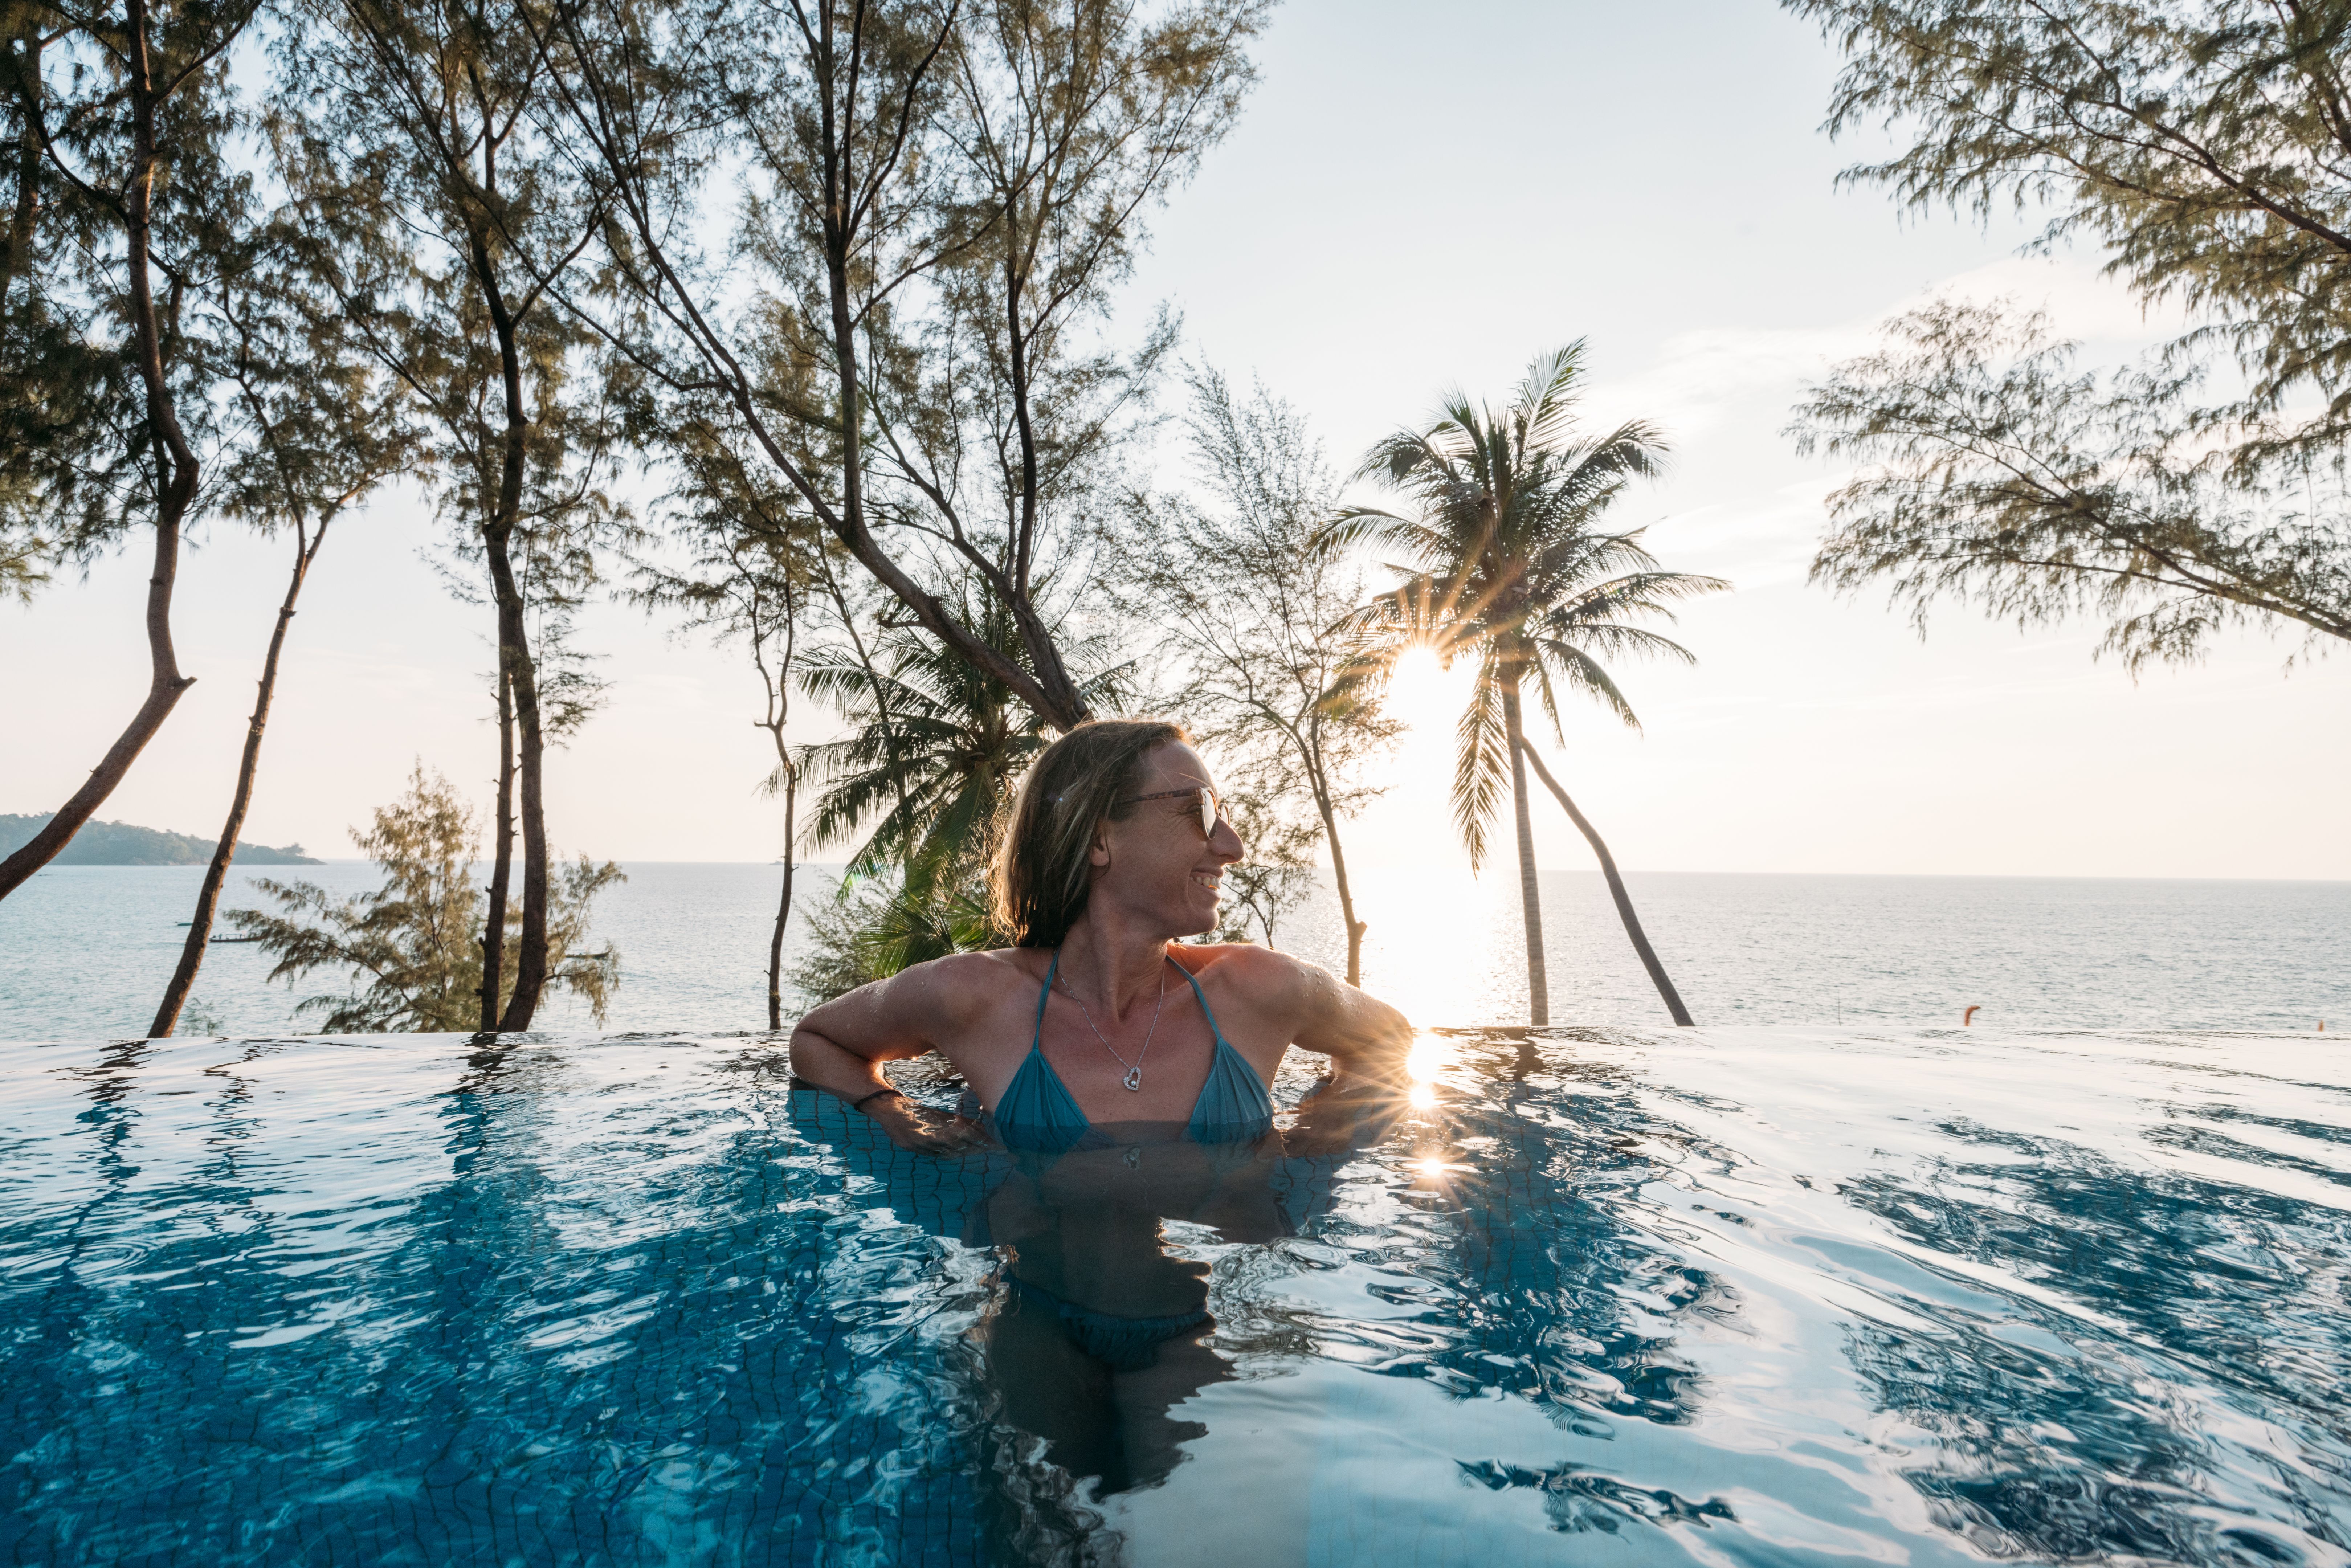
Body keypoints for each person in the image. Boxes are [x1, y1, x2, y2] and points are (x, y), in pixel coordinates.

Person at [788, 718, 1415, 1154]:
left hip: (1193, 1328)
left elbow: (1391, 1039)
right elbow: (817, 1039)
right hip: (1029, 1327)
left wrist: (1336, 1122)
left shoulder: (1264, 988)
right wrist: (890, 1116)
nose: (1232, 845)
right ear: (1096, 839)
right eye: (1198, 811)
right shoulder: (971, 995)